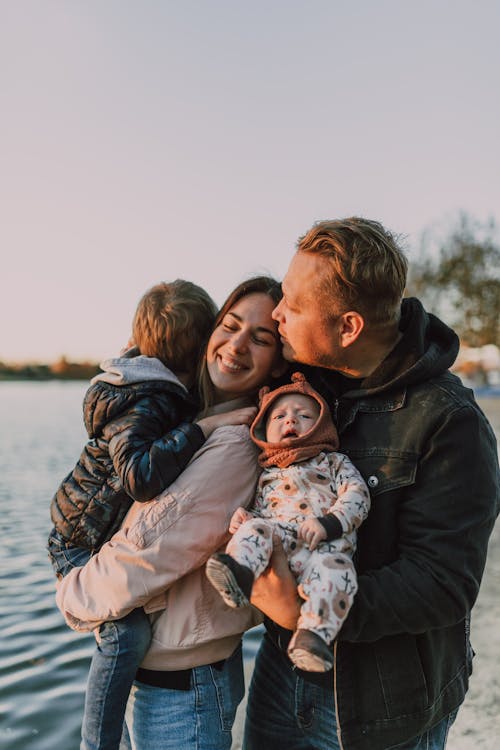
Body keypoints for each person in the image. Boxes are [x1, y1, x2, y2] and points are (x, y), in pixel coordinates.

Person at [243, 217, 500, 750]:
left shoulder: (450, 422)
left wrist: (304, 610)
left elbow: (442, 583)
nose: (277, 312)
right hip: (280, 680)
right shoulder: (303, 384)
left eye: (293, 302)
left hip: (385, 706)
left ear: (349, 327)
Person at [54, 276, 287, 750]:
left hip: (185, 694)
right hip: (165, 682)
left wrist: (71, 594)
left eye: (261, 338)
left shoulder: (236, 439)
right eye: (231, 325)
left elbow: (143, 556)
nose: (237, 345)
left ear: (279, 361)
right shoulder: (184, 414)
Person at [206, 371, 370, 672]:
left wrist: (331, 522)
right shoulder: (267, 475)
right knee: (253, 529)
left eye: (304, 415)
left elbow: (358, 494)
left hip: (323, 549)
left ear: (322, 425)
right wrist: (246, 519)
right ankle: (240, 573)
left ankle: (312, 636)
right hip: (281, 544)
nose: (290, 420)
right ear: (264, 433)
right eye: (279, 416)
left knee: (339, 573)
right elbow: (264, 515)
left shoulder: (333, 462)